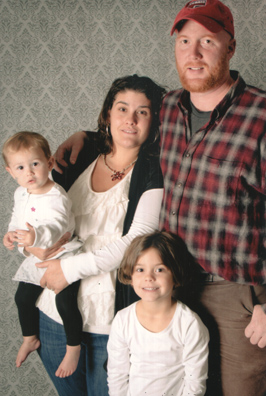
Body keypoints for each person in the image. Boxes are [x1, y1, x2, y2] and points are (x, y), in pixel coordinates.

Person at [50, 2, 266, 395]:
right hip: (166, 284)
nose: (193, 53)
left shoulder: (261, 115)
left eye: (206, 41)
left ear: (230, 48)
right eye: (184, 41)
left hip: (236, 292)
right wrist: (88, 137)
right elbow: (127, 127)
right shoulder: (167, 108)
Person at [29, 75, 166, 396]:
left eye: (143, 112)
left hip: (109, 323)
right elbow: (40, 209)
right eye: (122, 108)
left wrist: (68, 270)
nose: (130, 120)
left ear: (155, 120)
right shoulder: (79, 156)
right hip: (54, 315)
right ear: (107, 114)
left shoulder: (155, 169)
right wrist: (34, 246)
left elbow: (138, 240)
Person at [2, 131, 83, 378]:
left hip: (63, 252)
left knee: (64, 301)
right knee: (23, 298)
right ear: (10, 172)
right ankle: (30, 338)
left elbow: (57, 224)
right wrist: (10, 234)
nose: (29, 172)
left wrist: (35, 237)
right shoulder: (20, 193)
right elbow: (18, 218)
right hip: (38, 254)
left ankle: (73, 347)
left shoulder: (55, 194)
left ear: (48, 163)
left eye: (35, 164)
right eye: (21, 167)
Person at [107, 231, 209, 396]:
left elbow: (195, 382)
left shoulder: (189, 324)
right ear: (130, 275)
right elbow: (117, 375)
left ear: (174, 274)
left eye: (159, 269)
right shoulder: (123, 320)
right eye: (140, 269)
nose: (148, 277)